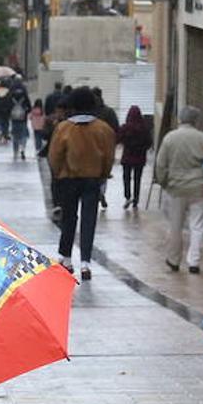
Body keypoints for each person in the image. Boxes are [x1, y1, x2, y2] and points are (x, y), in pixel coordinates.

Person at [48, 87, 116, 281]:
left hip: (68, 179)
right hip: (92, 179)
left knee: (69, 218)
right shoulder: (103, 129)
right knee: (89, 220)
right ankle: (86, 262)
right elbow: (109, 156)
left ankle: (66, 258)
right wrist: (103, 174)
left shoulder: (63, 128)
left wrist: (59, 174)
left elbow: (54, 156)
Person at [154, 105, 203, 273]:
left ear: (180, 119)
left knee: (175, 226)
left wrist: (163, 182)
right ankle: (194, 261)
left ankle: (174, 259)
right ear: (196, 120)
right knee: (198, 225)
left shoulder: (170, 138)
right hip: (199, 187)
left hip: (176, 187)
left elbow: (160, 163)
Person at [117, 105, 152, 210]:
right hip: (139, 158)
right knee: (137, 179)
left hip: (127, 157)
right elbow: (149, 142)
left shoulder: (125, 127)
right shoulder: (144, 128)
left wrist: (126, 143)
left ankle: (127, 196)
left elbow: (118, 139)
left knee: (126, 178)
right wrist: (143, 148)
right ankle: (136, 200)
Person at [9, 81, 31, 160]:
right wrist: (26, 110)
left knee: (15, 135)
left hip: (14, 118)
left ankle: (15, 151)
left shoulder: (11, 94)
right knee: (23, 135)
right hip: (23, 118)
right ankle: (23, 149)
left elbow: (8, 106)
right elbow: (29, 107)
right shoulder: (24, 94)